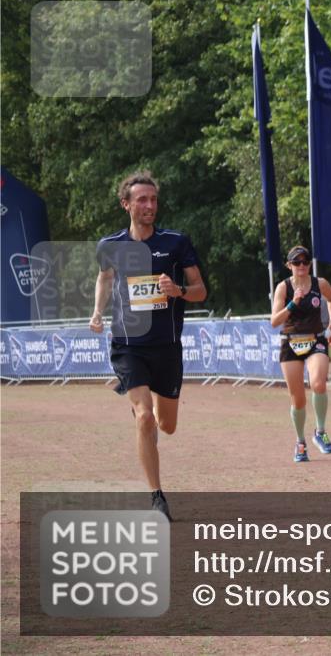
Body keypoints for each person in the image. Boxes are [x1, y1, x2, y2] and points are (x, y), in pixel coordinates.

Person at [89, 171, 207, 522]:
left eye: (153, 200)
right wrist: (96, 312)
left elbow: (200, 289)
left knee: (165, 425)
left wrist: (180, 291)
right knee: (144, 419)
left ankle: (150, 415)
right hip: (128, 345)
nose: (149, 205)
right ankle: (157, 497)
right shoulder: (109, 246)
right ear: (125, 204)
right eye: (142, 199)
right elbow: (104, 278)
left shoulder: (176, 243)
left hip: (167, 347)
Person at [270, 246, 331, 462]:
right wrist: (293, 302)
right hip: (290, 343)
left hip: (316, 339)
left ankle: (320, 432)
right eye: (296, 262)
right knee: (298, 400)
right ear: (289, 265)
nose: (302, 266)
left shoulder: (321, 284)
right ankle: (300, 442)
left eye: (305, 261)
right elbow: (274, 321)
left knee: (318, 383)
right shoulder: (283, 288)